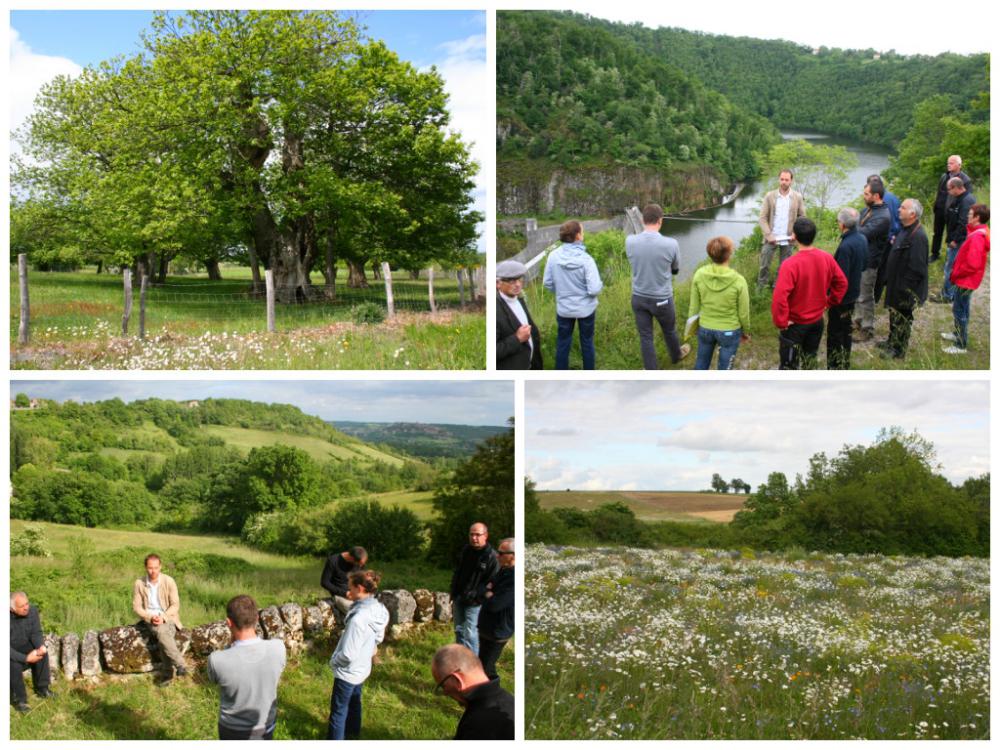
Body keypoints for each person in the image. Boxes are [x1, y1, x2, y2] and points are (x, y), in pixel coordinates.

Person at [771, 217, 847, 369]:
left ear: (794, 236)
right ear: (813, 235)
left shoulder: (790, 264)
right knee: (810, 360)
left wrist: (781, 321)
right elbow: (842, 283)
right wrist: (829, 302)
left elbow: (780, 297)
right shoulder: (826, 258)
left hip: (794, 325)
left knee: (789, 366)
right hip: (817, 322)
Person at [207, 595, 287, 740]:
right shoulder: (278, 648)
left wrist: (229, 645)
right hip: (266, 725)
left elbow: (213, 680)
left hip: (232, 729)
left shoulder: (216, 659)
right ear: (257, 618)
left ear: (228, 622)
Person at [625, 203, 691, 369]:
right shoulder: (671, 244)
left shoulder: (630, 241)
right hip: (662, 299)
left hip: (638, 298)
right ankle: (676, 356)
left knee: (646, 337)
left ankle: (651, 371)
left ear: (643, 220)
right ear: (660, 221)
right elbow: (675, 270)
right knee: (669, 330)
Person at [327, 570, 389, 740]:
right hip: (363, 667)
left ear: (360, 588)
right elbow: (379, 637)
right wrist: (368, 652)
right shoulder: (379, 608)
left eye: (350, 588)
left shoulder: (358, 619)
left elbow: (347, 654)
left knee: (338, 713)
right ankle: (353, 735)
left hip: (348, 672)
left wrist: (333, 662)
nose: (348, 592)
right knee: (355, 702)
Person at [542, 220, 603, 369]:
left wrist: (562, 293)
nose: (583, 234)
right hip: (586, 310)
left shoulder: (553, 256)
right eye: (582, 231)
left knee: (563, 343)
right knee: (587, 343)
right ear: (578, 236)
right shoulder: (586, 260)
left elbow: (547, 283)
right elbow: (594, 289)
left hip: (564, 309)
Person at [687, 236, 751, 370]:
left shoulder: (699, 274)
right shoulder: (739, 280)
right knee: (725, 369)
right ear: (729, 254)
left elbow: (694, 306)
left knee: (701, 364)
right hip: (730, 331)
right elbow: (743, 312)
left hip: (705, 328)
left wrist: (693, 328)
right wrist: (746, 331)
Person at [431, 644, 514, 740]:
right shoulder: (510, 701)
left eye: (443, 686)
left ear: (458, 680)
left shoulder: (478, 726)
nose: (445, 693)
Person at [880, 198, 929, 359]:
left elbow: (918, 269)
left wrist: (904, 290)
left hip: (905, 289)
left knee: (903, 318)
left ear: (912, 214)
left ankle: (898, 350)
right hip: (896, 284)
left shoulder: (918, 236)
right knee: (894, 315)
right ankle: (891, 341)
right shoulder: (905, 229)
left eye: (903, 207)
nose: (899, 209)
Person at [132, 553, 187, 685]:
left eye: (156, 567)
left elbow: (175, 605)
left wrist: (163, 617)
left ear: (160, 566)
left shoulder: (169, 581)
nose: (153, 571)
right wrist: (150, 617)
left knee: (162, 633)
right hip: (149, 619)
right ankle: (180, 665)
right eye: (150, 568)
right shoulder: (139, 583)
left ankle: (168, 675)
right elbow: (137, 607)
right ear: (145, 567)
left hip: (168, 617)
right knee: (162, 633)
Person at [943, 203, 990, 354]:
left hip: (965, 280)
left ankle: (960, 344)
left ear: (977, 218)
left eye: (970, 214)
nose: (967, 216)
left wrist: (956, 274)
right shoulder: (977, 232)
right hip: (966, 280)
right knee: (963, 307)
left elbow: (973, 264)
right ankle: (957, 333)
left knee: (959, 310)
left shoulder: (977, 237)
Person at [449, 522, 499, 656]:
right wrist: (453, 592)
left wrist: (477, 596)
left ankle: (473, 663)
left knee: (470, 633)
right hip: (459, 597)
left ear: (486, 536)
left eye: (478, 535)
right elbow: (458, 572)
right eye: (472, 534)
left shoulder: (491, 557)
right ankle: (461, 658)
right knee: (459, 630)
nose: (474, 538)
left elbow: (492, 582)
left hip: (475, 602)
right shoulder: (466, 551)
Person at [827, 207, 868, 370]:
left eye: (838, 221)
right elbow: (865, 265)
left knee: (835, 332)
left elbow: (840, 278)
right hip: (854, 292)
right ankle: (845, 360)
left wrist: (831, 299)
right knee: (846, 328)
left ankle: (835, 365)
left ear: (843, 224)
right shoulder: (862, 239)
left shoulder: (846, 246)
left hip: (841, 297)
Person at [852, 178, 892, 342]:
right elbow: (856, 224)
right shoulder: (870, 209)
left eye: (866, 194)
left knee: (866, 295)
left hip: (870, 262)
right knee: (857, 293)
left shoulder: (882, 216)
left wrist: (852, 223)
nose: (864, 196)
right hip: (861, 258)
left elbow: (861, 233)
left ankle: (868, 329)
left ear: (876, 195)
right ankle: (857, 320)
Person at [757, 169, 806, 289]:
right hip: (771, 236)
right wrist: (769, 235)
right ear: (779, 179)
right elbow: (762, 218)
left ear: (791, 181)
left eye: (786, 180)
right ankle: (761, 287)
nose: (784, 182)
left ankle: (777, 286)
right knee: (764, 264)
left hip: (788, 238)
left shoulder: (797, 197)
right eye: (782, 179)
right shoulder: (770, 196)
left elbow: (802, 217)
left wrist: (795, 233)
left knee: (784, 266)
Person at [933, 177, 977, 304]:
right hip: (954, 237)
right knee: (953, 267)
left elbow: (964, 223)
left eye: (949, 189)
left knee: (950, 267)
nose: (948, 192)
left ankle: (947, 295)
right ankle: (950, 292)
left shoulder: (966, 200)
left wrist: (955, 240)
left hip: (958, 240)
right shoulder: (960, 198)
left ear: (956, 188)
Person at [476, 538, 514, 681]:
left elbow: (495, 605)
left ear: (513, 555)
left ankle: (494, 699)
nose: (497, 556)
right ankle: (484, 697)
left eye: (501, 553)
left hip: (498, 630)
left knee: (486, 669)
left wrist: (488, 592)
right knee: (482, 665)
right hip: (486, 626)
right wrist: (488, 592)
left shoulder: (515, 578)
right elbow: (481, 587)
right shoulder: (503, 570)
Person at [495, 259, 542, 370]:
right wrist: (517, 339)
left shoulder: (519, 300)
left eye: (519, 279)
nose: (517, 284)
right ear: (498, 283)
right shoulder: (495, 310)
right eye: (511, 281)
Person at [10, 592, 52, 713]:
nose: (26, 607)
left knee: (41, 653)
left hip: (23, 646)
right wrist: (25, 659)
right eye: (22, 606)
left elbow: (36, 633)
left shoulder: (32, 611)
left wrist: (40, 646)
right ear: (12, 608)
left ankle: (42, 689)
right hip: (9, 652)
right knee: (13, 664)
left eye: (27, 603)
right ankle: (20, 700)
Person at [931, 155, 973, 262]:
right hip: (940, 209)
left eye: (952, 163)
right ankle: (935, 254)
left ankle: (950, 257)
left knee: (951, 233)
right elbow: (939, 193)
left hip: (953, 211)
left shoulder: (965, 180)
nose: (949, 165)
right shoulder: (944, 176)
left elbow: (966, 197)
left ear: (959, 165)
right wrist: (936, 206)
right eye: (948, 163)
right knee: (937, 232)